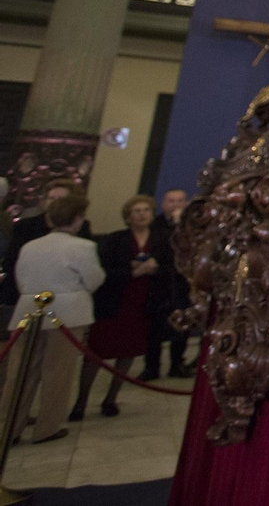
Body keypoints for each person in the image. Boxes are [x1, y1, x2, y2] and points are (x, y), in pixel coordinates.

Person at [1, 193, 103, 444]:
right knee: (58, 373)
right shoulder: (83, 247)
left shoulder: (30, 246)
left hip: (28, 310)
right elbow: (94, 280)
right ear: (78, 220)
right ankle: (47, 427)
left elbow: (21, 280)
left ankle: (9, 428)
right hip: (67, 314)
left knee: (20, 373)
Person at [70, 195, 171, 419]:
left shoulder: (162, 238)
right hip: (115, 303)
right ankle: (81, 402)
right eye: (137, 211)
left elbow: (171, 269)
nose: (142, 214)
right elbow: (104, 272)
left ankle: (111, 398)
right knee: (96, 353)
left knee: (127, 352)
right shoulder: (116, 239)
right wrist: (133, 271)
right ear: (128, 216)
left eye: (146, 210)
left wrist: (154, 269)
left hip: (143, 303)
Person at [1, 179, 94, 315]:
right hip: (23, 294)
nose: (55, 203)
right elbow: (11, 261)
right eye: (51, 198)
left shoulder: (82, 226)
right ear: (43, 201)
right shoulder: (25, 226)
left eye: (62, 199)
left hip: (62, 296)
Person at [142, 188, 193, 381]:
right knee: (154, 327)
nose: (176, 205)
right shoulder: (155, 225)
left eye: (180, 201)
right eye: (172, 201)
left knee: (182, 325)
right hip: (159, 282)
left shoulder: (192, 225)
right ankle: (151, 367)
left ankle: (177, 364)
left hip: (182, 282)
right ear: (163, 204)